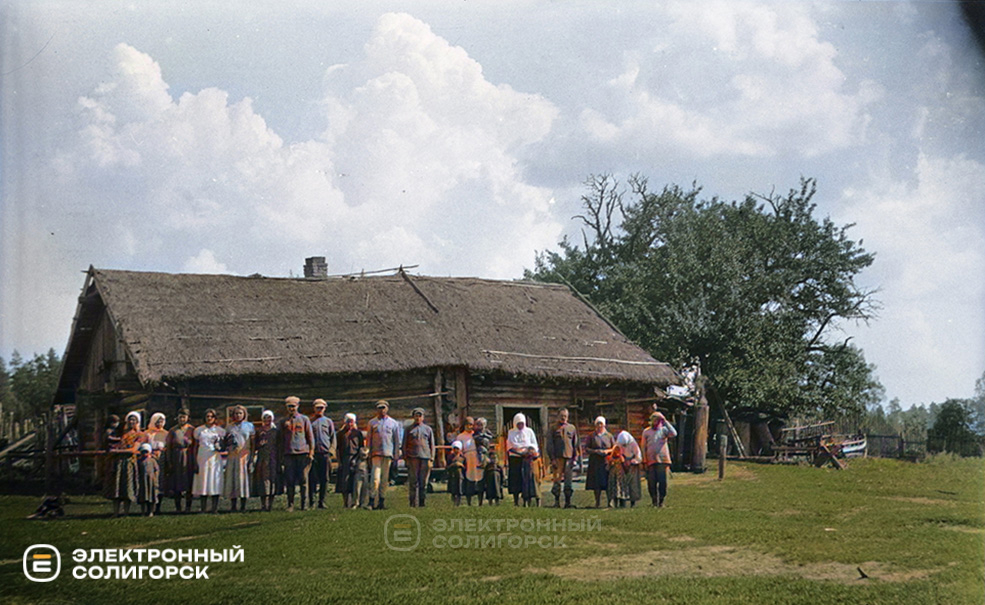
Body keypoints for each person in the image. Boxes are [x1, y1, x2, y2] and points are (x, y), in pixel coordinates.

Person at [278, 396, 314, 512]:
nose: (291, 408)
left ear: (298, 406)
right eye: (289, 406)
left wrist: (311, 452)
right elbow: (281, 440)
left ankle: (304, 504)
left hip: (303, 453)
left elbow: (310, 437)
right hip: (289, 454)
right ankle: (291, 504)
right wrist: (281, 455)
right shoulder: (283, 421)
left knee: (303, 480)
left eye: (293, 406)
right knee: (290, 480)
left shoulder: (304, 419)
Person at [107, 411, 143, 517]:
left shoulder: (139, 434)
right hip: (118, 462)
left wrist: (118, 451)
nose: (132, 422)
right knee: (116, 487)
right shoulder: (120, 432)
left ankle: (126, 512)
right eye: (130, 420)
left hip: (129, 462)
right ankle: (116, 512)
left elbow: (133, 449)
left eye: (134, 420)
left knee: (127, 487)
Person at [367, 400, 401, 510]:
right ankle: (372, 501)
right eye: (380, 408)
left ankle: (382, 501)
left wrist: (396, 455)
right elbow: (369, 440)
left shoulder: (393, 423)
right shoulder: (372, 423)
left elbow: (396, 440)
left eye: (384, 408)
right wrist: (368, 453)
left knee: (385, 479)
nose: (382, 410)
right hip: (376, 454)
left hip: (388, 454)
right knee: (375, 478)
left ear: (387, 409)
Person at [192, 408, 225, 514]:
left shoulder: (219, 431)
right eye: (207, 416)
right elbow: (195, 446)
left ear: (215, 418)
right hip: (202, 456)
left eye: (211, 416)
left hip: (214, 457)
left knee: (214, 480)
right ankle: (203, 508)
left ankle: (214, 508)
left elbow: (223, 445)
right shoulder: (199, 430)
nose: (209, 418)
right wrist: (194, 460)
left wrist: (219, 446)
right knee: (203, 480)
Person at [546, 408, 581, 508]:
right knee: (557, 480)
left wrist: (575, 457)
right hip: (558, 458)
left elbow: (575, 444)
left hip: (569, 458)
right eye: (561, 416)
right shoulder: (553, 428)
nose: (563, 418)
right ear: (558, 416)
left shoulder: (571, 428)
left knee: (568, 481)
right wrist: (552, 458)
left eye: (565, 416)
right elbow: (550, 444)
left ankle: (568, 502)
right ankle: (556, 502)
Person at [642, 411, 678, 507]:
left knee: (663, 482)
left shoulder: (664, 430)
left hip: (663, 460)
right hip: (651, 460)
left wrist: (665, 421)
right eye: (654, 420)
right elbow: (643, 447)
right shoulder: (646, 432)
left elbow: (674, 433)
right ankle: (654, 501)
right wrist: (644, 459)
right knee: (652, 482)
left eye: (658, 420)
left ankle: (661, 501)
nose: (656, 422)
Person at [402, 407, 435, 508]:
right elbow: (404, 444)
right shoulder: (408, 429)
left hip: (425, 457)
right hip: (413, 457)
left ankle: (422, 502)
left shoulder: (428, 429)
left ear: (423, 417)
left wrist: (431, 459)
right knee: (413, 481)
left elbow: (432, 445)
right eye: (416, 415)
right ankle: (412, 503)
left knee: (423, 481)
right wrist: (405, 457)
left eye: (420, 416)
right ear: (413, 417)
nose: (418, 417)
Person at [223, 405, 254, 512]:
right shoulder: (229, 427)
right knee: (233, 478)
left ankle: (243, 505)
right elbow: (225, 441)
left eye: (240, 413)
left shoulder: (249, 426)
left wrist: (252, 456)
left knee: (242, 479)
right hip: (232, 455)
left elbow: (252, 442)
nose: (238, 415)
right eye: (236, 413)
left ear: (244, 414)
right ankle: (233, 505)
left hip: (244, 454)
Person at [164, 408, 195, 513]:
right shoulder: (173, 430)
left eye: (184, 417)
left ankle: (188, 507)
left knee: (188, 481)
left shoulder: (192, 430)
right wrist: (169, 461)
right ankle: (178, 507)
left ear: (188, 418)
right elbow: (168, 447)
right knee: (177, 481)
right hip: (176, 456)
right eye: (180, 417)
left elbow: (195, 445)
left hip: (189, 456)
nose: (182, 419)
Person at [308, 399, 336, 509]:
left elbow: (333, 437)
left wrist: (331, 451)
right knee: (312, 478)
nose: (319, 410)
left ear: (324, 409)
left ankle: (322, 501)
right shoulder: (310, 422)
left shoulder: (328, 422)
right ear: (314, 408)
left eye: (321, 408)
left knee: (325, 478)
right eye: (317, 408)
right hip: (313, 454)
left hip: (325, 453)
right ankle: (312, 501)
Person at [507, 413, 540, 507]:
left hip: (527, 459)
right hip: (515, 459)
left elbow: (534, 444)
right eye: (518, 424)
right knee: (515, 480)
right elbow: (510, 446)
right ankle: (516, 501)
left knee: (527, 479)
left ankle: (527, 500)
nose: (520, 426)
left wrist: (530, 452)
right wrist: (520, 452)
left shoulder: (529, 431)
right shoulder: (511, 432)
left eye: (522, 423)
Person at [584, 416, 615, 508]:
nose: (599, 426)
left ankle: (610, 502)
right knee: (596, 483)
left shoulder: (609, 436)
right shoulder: (591, 436)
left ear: (604, 425)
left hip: (606, 462)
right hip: (595, 462)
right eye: (598, 424)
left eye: (601, 424)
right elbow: (586, 448)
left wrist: (607, 451)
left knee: (608, 482)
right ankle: (597, 502)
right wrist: (595, 451)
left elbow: (614, 447)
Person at [607, 430, 643, 508]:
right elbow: (615, 452)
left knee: (633, 483)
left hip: (632, 464)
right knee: (622, 483)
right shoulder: (618, 443)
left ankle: (632, 502)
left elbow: (638, 456)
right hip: (621, 464)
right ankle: (621, 501)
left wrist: (632, 461)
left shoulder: (633, 444)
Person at [253, 410, 280, 512]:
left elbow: (279, 444)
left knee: (272, 479)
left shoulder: (275, 431)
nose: (267, 420)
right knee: (262, 480)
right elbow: (254, 445)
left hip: (273, 457)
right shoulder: (259, 431)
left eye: (269, 417)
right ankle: (263, 504)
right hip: (262, 457)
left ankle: (270, 504)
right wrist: (260, 444)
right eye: (265, 418)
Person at [335, 413, 363, 509]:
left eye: (351, 422)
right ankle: (346, 503)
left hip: (356, 457)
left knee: (356, 481)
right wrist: (339, 461)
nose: (350, 424)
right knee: (345, 481)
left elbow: (361, 447)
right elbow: (337, 448)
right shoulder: (340, 434)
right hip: (345, 458)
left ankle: (356, 502)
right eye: (348, 422)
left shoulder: (358, 433)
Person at [144, 412, 168, 514]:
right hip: (150, 458)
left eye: (162, 421)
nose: (160, 423)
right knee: (150, 481)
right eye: (158, 421)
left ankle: (158, 507)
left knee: (160, 482)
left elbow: (168, 446)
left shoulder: (166, 434)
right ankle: (148, 507)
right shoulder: (148, 433)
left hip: (162, 458)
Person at [456, 417, 482, 506]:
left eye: (471, 425)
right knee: (468, 478)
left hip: (476, 457)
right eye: (467, 425)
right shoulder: (460, 436)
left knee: (479, 477)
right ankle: (468, 500)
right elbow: (458, 448)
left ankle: (480, 500)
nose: (469, 427)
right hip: (467, 457)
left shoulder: (476, 435)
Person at [99, 414, 121, 497]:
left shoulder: (114, 431)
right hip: (110, 451)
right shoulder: (109, 430)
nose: (116, 424)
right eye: (114, 422)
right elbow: (108, 438)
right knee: (110, 471)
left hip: (114, 451)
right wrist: (119, 439)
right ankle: (107, 491)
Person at [136, 442, 159, 517]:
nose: (144, 453)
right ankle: (143, 511)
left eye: (146, 451)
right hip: (143, 480)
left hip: (151, 480)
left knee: (152, 496)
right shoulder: (139, 461)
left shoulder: (152, 460)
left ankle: (151, 511)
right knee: (143, 496)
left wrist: (155, 478)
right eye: (143, 452)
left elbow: (157, 470)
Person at [446, 440, 464, 507]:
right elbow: (447, 466)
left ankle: (458, 502)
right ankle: (453, 502)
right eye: (454, 449)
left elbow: (465, 467)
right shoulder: (450, 457)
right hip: (452, 474)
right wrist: (453, 464)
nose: (456, 450)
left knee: (459, 489)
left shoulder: (462, 457)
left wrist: (460, 465)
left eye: (457, 449)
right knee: (453, 489)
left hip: (460, 475)